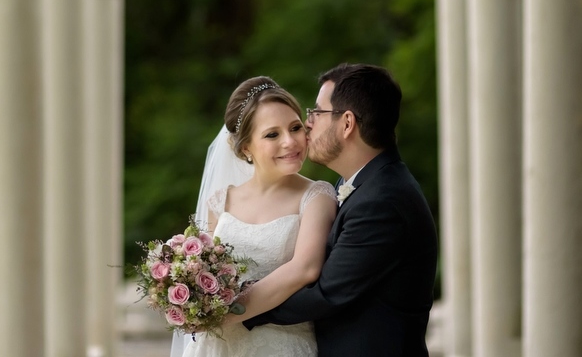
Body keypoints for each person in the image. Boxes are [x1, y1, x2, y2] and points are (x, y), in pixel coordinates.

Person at [235, 63, 438, 357]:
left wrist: (235, 307)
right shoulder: (359, 183)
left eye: (316, 113)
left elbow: (326, 292)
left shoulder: (384, 200)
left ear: (346, 123)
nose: (308, 124)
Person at [176, 76, 337, 357]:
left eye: (295, 127)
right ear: (246, 147)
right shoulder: (221, 200)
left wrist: (223, 313)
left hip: (281, 344)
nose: (290, 141)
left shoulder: (317, 196)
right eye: (272, 134)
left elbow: (305, 269)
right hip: (217, 346)